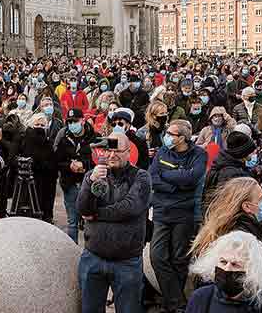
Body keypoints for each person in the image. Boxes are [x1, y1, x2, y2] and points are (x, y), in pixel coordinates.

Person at [191, 177, 262, 311]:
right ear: (247, 206)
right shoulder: (237, 237)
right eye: (261, 198)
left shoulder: (252, 225)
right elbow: (243, 278)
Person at [77, 132, 151, 313]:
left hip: (127, 262)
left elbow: (129, 208)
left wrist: (96, 214)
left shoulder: (141, 177)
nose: (112, 155)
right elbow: (83, 208)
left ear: (128, 152)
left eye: (117, 151)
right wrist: (90, 182)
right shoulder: (94, 174)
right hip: (93, 257)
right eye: (109, 150)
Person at [149, 119, 207, 312]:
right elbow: (152, 177)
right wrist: (176, 183)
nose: (167, 136)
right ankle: (177, 303)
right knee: (157, 256)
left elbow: (193, 178)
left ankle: (171, 304)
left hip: (184, 214)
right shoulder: (162, 152)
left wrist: (166, 175)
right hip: (161, 212)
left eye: (171, 134)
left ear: (182, 137)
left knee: (179, 259)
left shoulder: (198, 154)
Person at [187, 230, 262, 313]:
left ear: (251, 271)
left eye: (235, 264)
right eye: (223, 262)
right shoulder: (201, 298)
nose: (227, 268)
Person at [55, 108, 96, 243]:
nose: (72, 124)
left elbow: (98, 160)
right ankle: (72, 250)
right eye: (70, 122)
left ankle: (90, 251)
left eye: (75, 121)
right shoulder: (64, 138)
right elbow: (57, 160)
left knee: (89, 221)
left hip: (88, 185)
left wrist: (84, 165)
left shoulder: (95, 137)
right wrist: (69, 165)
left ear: (83, 121)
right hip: (70, 183)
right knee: (72, 222)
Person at [19, 111, 59, 224]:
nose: (39, 128)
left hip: (46, 185)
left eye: (42, 125)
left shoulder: (48, 143)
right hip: (29, 184)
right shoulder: (25, 141)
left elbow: (53, 164)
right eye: (37, 125)